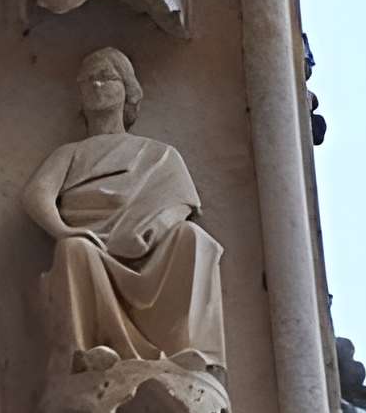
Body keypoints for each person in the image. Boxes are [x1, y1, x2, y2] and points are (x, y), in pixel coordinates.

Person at [25, 46, 223, 388]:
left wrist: (151, 231)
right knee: (74, 249)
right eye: (88, 80)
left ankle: (186, 350)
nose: (96, 86)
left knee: (193, 238)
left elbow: (180, 204)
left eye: (106, 77)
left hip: (147, 248)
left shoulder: (159, 154)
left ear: (128, 89)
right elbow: (36, 195)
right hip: (93, 247)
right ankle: (92, 351)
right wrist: (64, 230)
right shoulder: (69, 153)